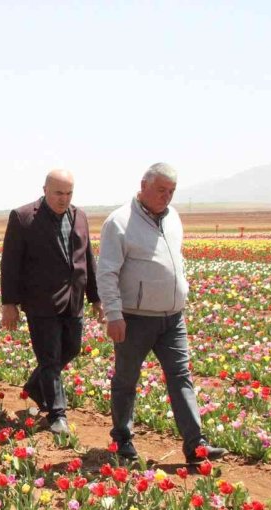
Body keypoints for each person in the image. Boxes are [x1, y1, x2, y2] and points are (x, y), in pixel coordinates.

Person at [97, 163, 226, 465]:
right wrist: (113, 313)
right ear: (143, 185)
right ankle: (122, 440)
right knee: (126, 380)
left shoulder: (173, 218)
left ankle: (196, 445)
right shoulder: (118, 223)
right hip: (134, 318)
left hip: (172, 318)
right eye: (161, 190)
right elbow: (106, 272)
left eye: (171, 192)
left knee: (181, 377)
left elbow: (175, 258)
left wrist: (182, 289)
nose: (166, 197)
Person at [0, 169, 103, 435]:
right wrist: (9, 303)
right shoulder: (23, 217)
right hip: (40, 302)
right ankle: (57, 415)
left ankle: (35, 387)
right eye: (58, 192)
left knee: (72, 348)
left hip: (74, 300)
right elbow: (10, 263)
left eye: (69, 193)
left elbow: (87, 258)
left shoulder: (79, 216)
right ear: (45, 189)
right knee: (49, 358)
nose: (63, 198)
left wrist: (96, 297)